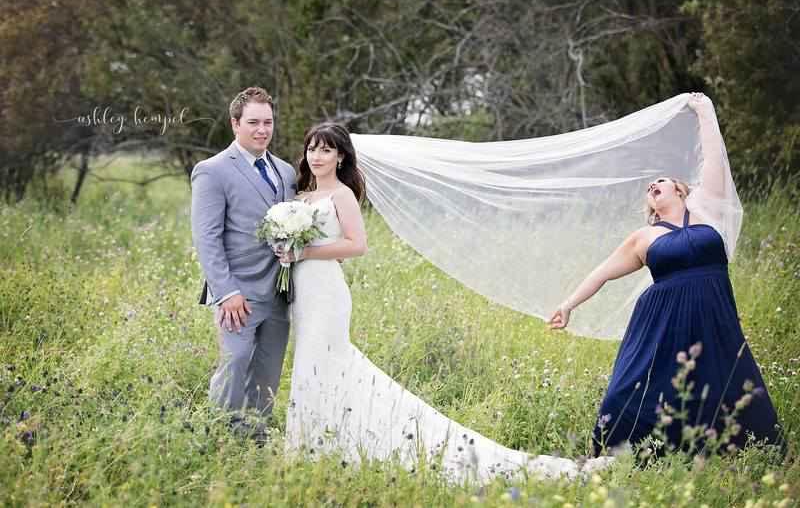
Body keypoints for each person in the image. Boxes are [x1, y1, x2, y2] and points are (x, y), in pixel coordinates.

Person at [275, 122, 611, 484]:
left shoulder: (341, 196)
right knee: (310, 364)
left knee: (327, 361)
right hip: (303, 291)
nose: (317, 156)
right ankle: (317, 442)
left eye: (326, 149)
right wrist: (285, 248)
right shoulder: (301, 197)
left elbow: (357, 245)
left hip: (327, 292)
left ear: (340, 157)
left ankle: (327, 443)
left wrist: (305, 252)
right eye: (312, 148)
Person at [549, 93, 782, 456]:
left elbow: (714, 157)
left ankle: (734, 451)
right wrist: (568, 304)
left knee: (723, 380)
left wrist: (704, 110)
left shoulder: (706, 208)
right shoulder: (644, 237)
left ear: (680, 189)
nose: (652, 187)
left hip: (713, 313)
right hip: (662, 321)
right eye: (648, 189)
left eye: (659, 181)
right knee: (630, 390)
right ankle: (621, 453)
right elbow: (601, 273)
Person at [191, 87, 297, 428]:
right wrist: (226, 292)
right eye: (253, 122)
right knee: (235, 361)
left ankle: (255, 433)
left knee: (268, 368)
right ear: (235, 124)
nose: (262, 130)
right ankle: (220, 432)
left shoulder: (286, 171)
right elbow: (206, 238)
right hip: (239, 293)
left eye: (268, 122)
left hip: (279, 290)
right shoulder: (212, 171)